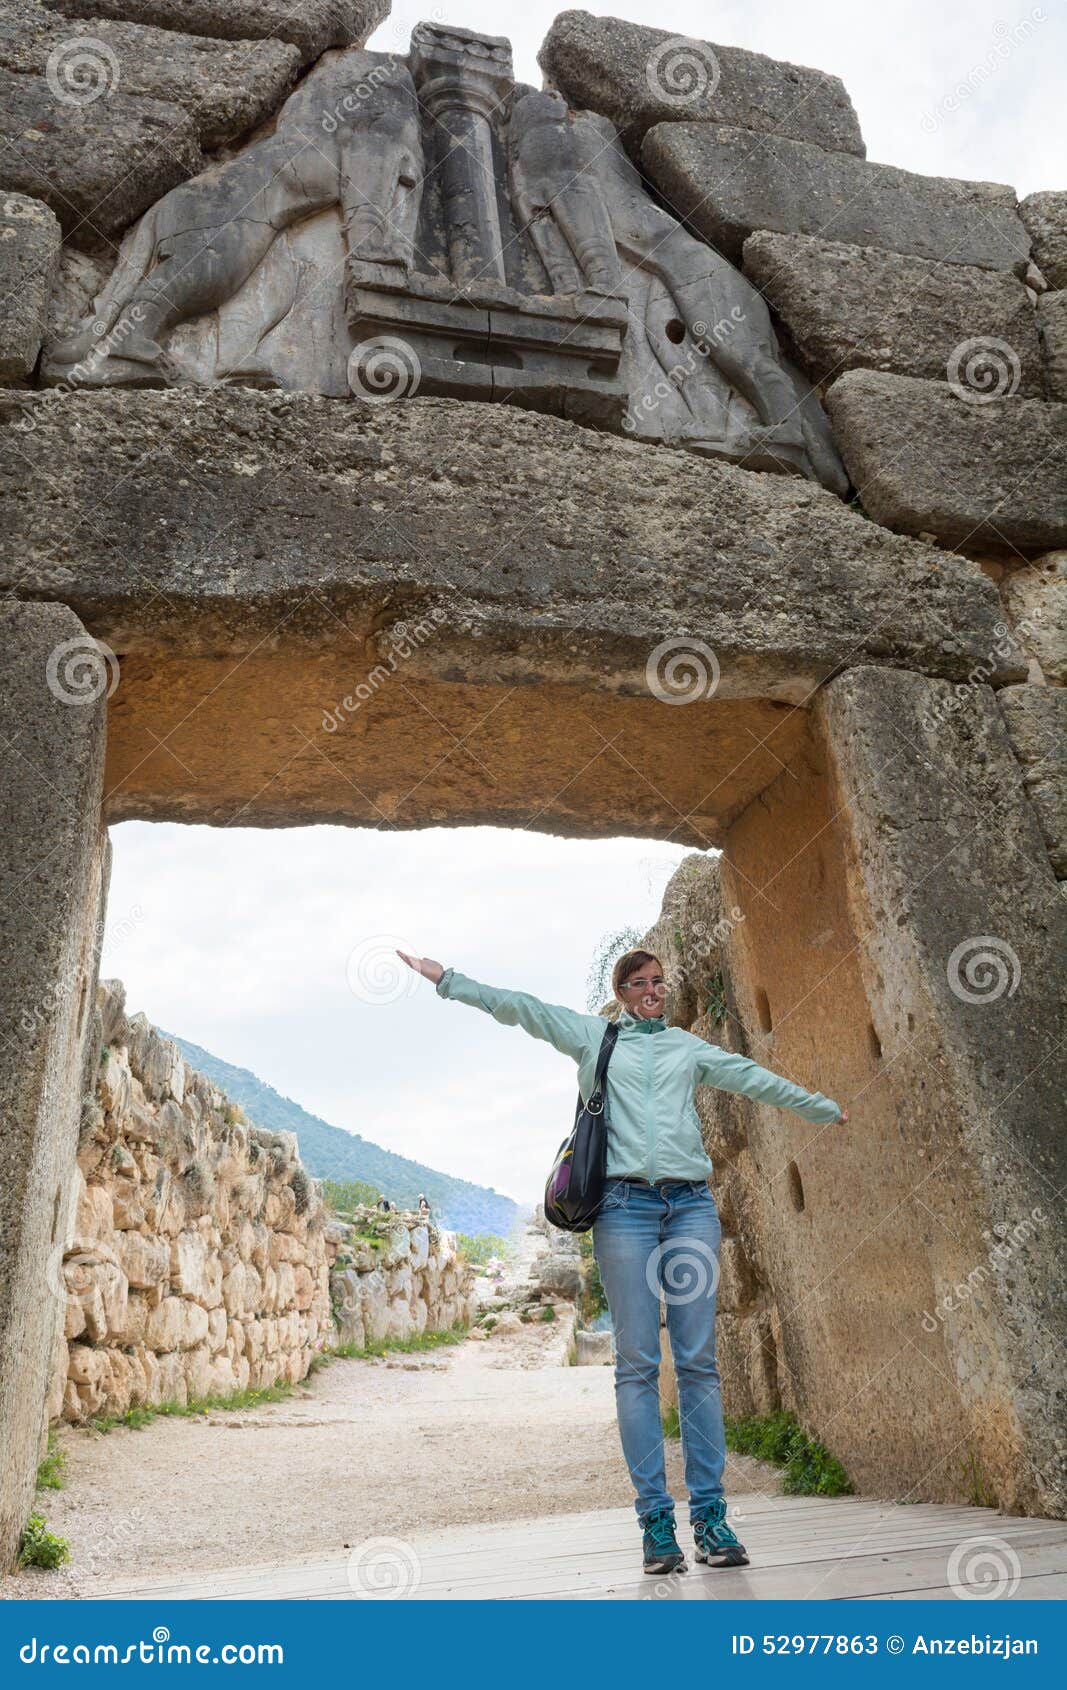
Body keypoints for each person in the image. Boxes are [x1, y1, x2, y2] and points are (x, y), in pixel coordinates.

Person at [396, 946, 848, 1577]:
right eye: (639, 982)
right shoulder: (594, 1038)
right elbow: (521, 1009)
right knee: (636, 1363)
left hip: (690, 1206)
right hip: (623, 1209)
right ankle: (656, 1524)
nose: (652, 989)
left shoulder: (688, 1049)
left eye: (659, 980)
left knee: (698, 1362)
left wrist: (820, 1107)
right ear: (621, 992)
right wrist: (449, 981)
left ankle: (712, 1519)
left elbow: (753, 1078)